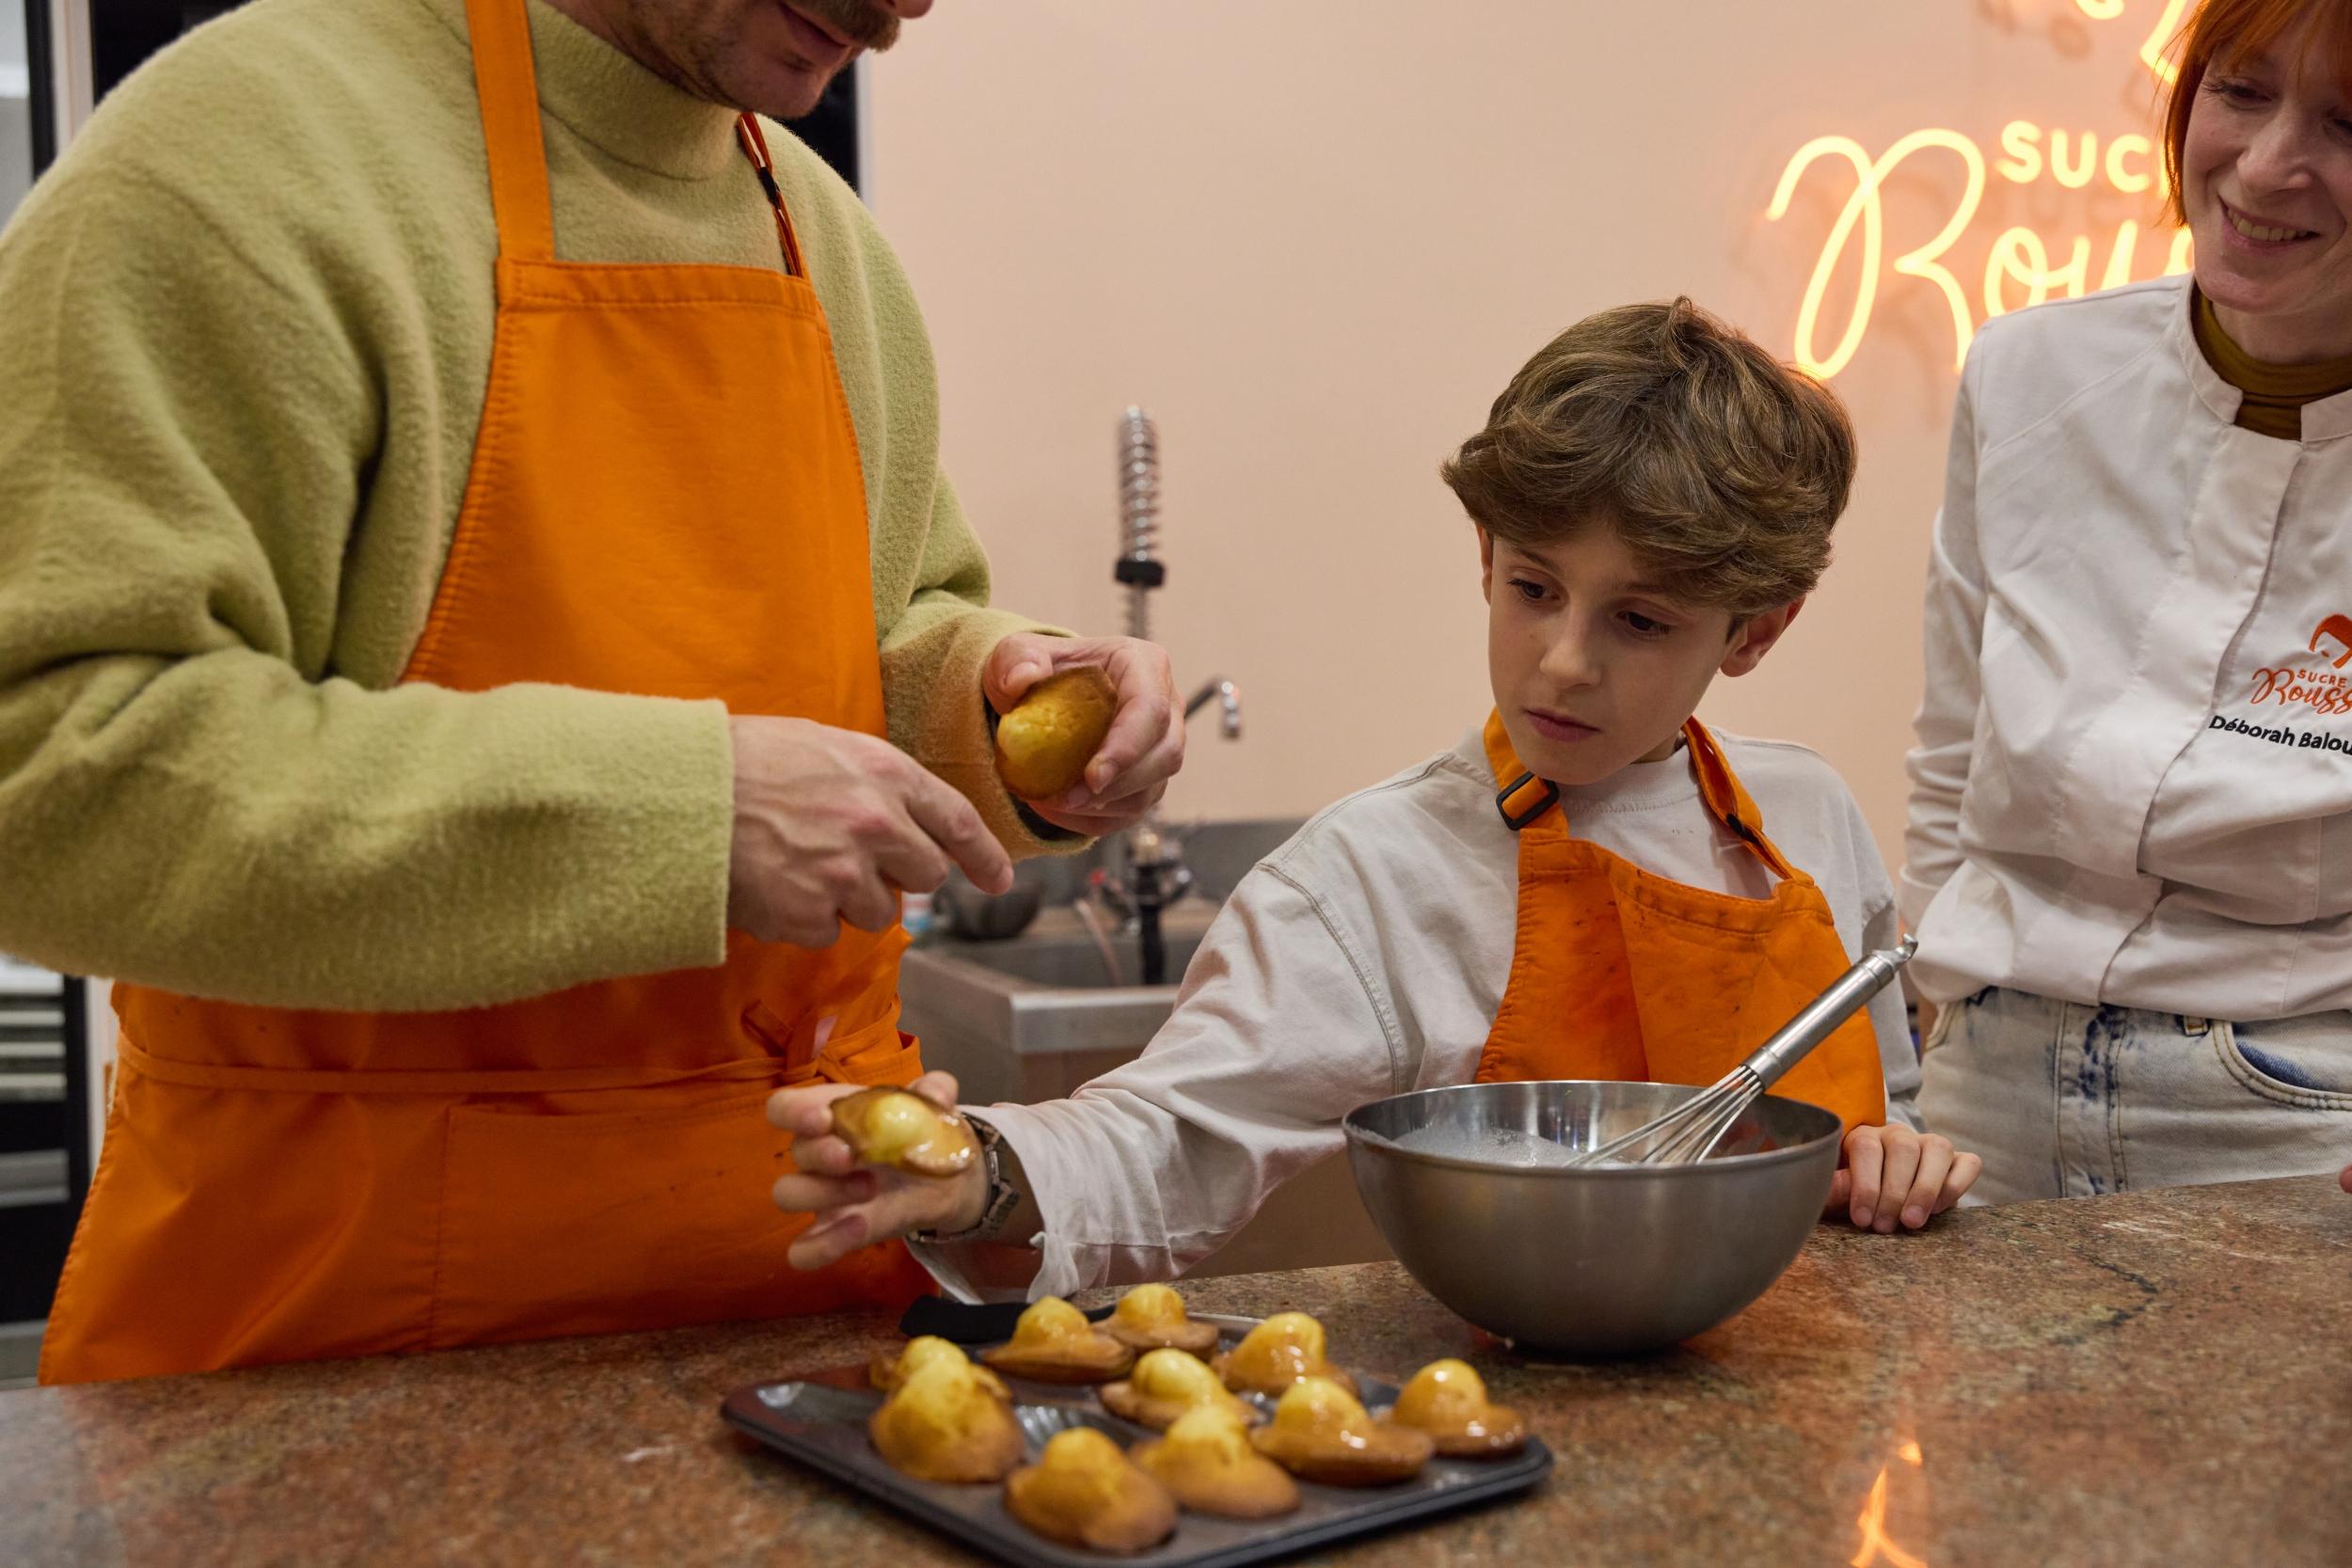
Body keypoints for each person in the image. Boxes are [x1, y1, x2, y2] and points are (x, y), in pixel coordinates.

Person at [0, 0, 1184, 1384]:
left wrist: (989, 709)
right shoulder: (243, 153)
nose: (905, 5)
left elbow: (885, 624)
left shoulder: (817, 226)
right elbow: (45, 775)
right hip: (334, 1349)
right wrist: (689, 811)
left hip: (806, 1338)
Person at [771, 300, 1984, 1298]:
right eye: (1532, 587)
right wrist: (982, 1168)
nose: (1563, 659)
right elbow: (1170, 1136)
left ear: (1756, 630)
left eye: (1639, 619)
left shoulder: (1805, 816)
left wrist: (1899, 1160)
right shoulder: (1379, 874)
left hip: (1820, 1395)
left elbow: (1884, 1098)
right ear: (1483, 556)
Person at [1901, 0, 2352, 1203]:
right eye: (2240, 91)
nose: (2264, 167)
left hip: (2301, 1118)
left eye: (2346, 123)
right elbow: (1951, 755)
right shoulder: (2029, 370)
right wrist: (1919, 1037)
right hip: (1979, 1099)